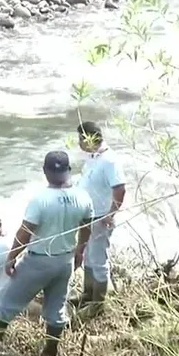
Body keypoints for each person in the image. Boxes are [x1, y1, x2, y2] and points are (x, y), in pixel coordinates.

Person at [0, 151, 94, 356]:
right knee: (57, 308)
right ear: (68, 170)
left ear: (45, 171)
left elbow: (25, 232)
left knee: (5, 304)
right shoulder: (83, 197)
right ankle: (50, 354)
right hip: (64, 261)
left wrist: (11, 257)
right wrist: (80, 250)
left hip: (39, 261)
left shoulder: (40, 199)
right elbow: (87, 227)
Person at [75, 121, 126, 308]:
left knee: (98, 259)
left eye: (80, 139)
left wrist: (111, 214)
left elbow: (120, 188)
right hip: (89, 216)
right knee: (88, 256)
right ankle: (87, 296)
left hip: (101, 217)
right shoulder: (93, 157)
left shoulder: (110, 160)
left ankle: (98, 303)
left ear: (88, 138)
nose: (79, 143)